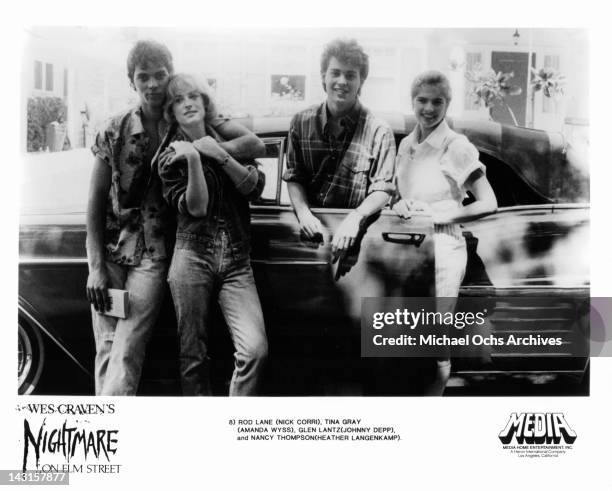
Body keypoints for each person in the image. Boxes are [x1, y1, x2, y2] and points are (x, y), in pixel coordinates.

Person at [86, 40, 265, 396]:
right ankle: (107, 431)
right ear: (131, 81)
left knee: (126, 348)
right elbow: (93, 201)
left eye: (159, 75)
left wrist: (208, 150)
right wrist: (94, 266)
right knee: (107, 348)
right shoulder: (114, 128)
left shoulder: (183, 125)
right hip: (110, 249)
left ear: (169, 78)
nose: (152, 84)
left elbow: (253, 147)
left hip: (154, 254)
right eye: (143, 77)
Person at [156, 73, 268, 396]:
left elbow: (254, 187)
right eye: (178, 100)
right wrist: (192, 157)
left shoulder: (225, 138)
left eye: (193, 96)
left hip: (237, 260)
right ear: (171, 111)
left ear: (205, 103)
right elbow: (198, 207)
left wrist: (217, 153)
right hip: (191, 258)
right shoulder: (169, 157)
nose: (187, 103)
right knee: (193, 355)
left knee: (255, 350)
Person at [392, 70, 498, 395]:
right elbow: (399, 195)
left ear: (447, 104)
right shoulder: (407, 144)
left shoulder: (456, 145)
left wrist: (442, 215)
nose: (429, 108)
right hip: (408, 248)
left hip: (442, 248)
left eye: (437, 101)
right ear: (412, 101)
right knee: (408, 335)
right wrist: (400, 206)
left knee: (435, 338)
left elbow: (488, 202)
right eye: (422, 100)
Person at [282, 38, 396, 257]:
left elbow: (382, 189)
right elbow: (295, 176)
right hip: (308, 240)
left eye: (351, 75)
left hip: (358, 245)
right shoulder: (300, 123)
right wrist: (303, 213)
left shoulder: (379, 131)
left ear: (361, 81)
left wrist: (356, 216)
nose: (342, 81)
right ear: (323, 77)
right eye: (335, 72)